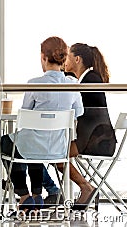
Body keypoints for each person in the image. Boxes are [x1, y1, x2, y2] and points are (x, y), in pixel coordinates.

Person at [1, 36, 84, 214]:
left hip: (33, 146)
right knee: (32, 142)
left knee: (5, 143)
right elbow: (78, 113)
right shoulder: (72, 84)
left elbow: (25, 114)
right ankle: (37, 195)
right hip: (59, 149)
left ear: (43, 57)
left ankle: (24, 195)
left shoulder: (34, 83)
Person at [42, 42, 116, 210]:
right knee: (55, 151)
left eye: (66, 57)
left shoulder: (90, 80)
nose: (64, 61)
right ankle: (82, 188)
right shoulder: (86, 79)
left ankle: (85, 187)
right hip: (94, 138)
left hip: (97, 141)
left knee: (55, 153)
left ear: (76, 59)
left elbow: (77, 109)